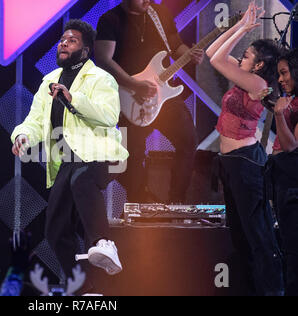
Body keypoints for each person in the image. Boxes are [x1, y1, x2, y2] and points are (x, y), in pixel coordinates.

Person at [11, 20, 129, 283]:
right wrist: (22, 136)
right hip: (67, 160)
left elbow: (109, 116)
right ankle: (83, 286)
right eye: (62, 39)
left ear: (85, 51)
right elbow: (35, 121)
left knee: (82, 178)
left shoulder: (101, 78)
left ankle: (104, 242)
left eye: (72, 40)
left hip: (99, 154)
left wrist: (74, 100)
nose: (63, 43)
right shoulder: (49, 82)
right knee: (55, 230)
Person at [206, 2, 284, 295]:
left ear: (260, 65)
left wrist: (243, 28)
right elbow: (215, 54)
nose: (241, 57)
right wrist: (241, 27)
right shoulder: (244, 79)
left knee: (259, 236)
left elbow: (216, 60)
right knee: (240, 236)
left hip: (246, 163)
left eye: (248, 55)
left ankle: (273, 291)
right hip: (231, 163)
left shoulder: (256, 82)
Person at [95, 0, 203, 203]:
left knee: (188, 140)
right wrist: (134, 85)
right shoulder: (111, 20)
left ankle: (176, 200)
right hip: (130, 97)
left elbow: (175, 44)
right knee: (133, 155)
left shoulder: (159, 13)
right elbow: (103, 59)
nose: (147, 0)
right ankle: (139, 202)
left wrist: (189, 54)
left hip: (163, 94)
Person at [264, 49, 298, 296]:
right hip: (283, 184)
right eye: (279, 74)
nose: (281, 79)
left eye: (285, 73)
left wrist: (279, 115)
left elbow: (291, 146)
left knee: (293, 255)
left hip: (293, 188)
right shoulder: (291, 99)